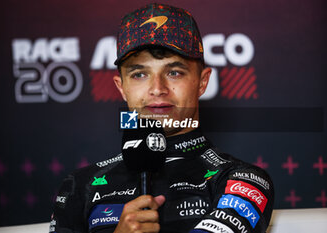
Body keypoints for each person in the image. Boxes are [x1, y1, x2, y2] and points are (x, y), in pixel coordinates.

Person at [50, 3, 274, 233]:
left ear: (203, 82)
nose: (157, 89)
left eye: (174, 72)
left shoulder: (242, 180)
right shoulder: (80, 186)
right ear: (121, 87)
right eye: (139, 74)